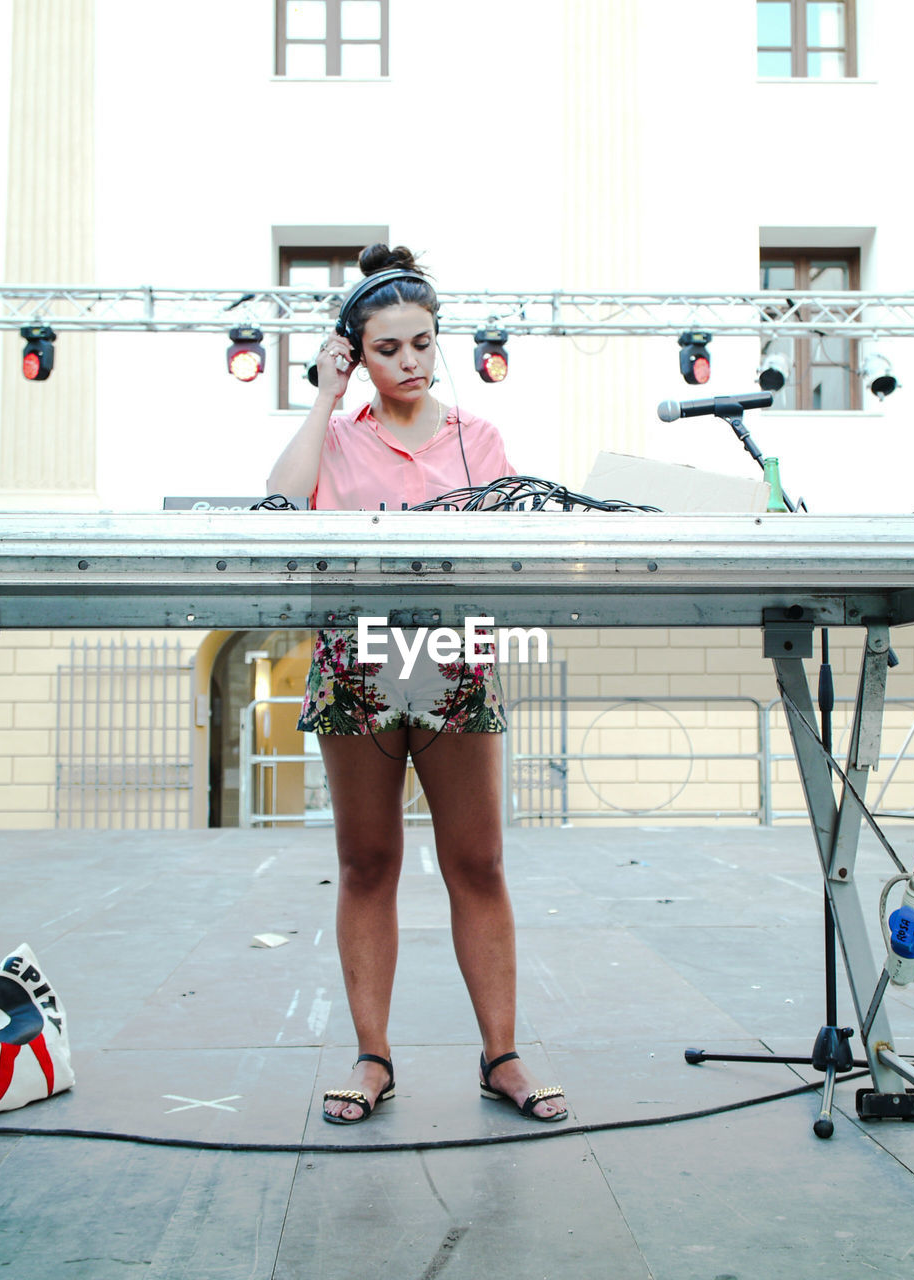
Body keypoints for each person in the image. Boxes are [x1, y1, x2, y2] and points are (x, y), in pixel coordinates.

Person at [267, 243, 567, 1125]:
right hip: (355, 659)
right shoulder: (339, 436)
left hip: (453, 658)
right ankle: (373, 1061)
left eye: (422, 345)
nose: (408, 363)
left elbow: (518, 544)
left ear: (439, 343)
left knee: (477, 862)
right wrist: (323, 395)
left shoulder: (480, 438)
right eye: (387, 348)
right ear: (356, 351)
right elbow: (282, 507)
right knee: (368, 863)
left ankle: (501, 1058)